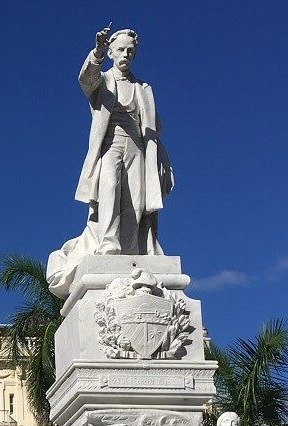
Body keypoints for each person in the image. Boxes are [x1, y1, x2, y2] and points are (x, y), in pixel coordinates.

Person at [47, 26, 174, 297]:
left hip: (138, 149)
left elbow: (153, 130)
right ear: (113, 52)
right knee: (109, 193)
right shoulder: (103, 81)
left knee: (135, 201)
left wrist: (163, 161)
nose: (126, 54)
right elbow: (85, 79)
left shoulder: (143, 88)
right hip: (110, 146)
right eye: (120, 49)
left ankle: (130, 249)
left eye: (130, 50)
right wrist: (97, 52)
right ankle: (108, 243)